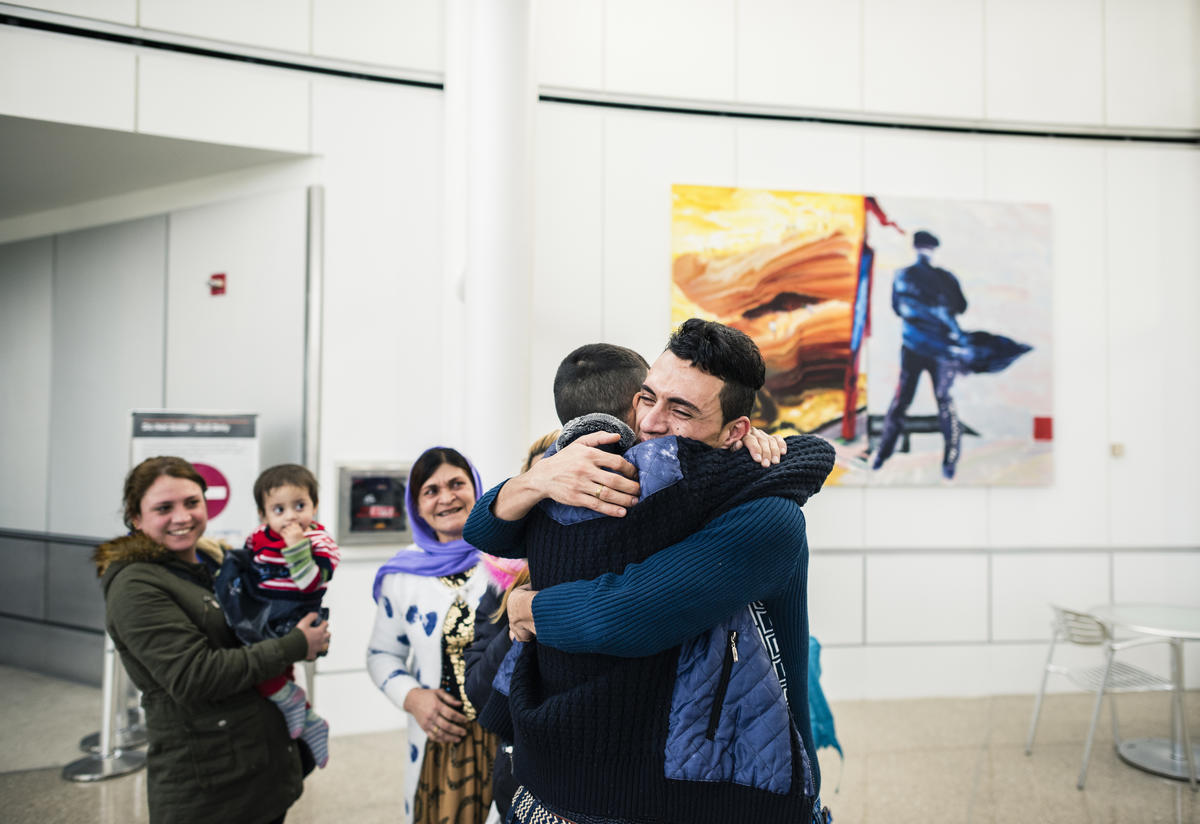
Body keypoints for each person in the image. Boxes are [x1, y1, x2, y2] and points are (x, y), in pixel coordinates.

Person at [464, 319, 835, 824]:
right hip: (609, 768)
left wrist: (530, 606)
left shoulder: (767, 516)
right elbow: (487, 530)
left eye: (681, 409)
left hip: (735, 782)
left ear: (736, 432)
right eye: (647, 397)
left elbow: (626, 612)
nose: (652, 422)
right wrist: (535, 480)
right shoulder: (637, 478)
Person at [94, 456, 330, 824]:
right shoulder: (136, 585)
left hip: (260, 768)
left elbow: (253, 628)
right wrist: (294, 645)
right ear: (136, 519)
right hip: (211, 788)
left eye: (192, 502)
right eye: (163, 508)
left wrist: (303, 632)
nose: (182, 516)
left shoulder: (219, 561)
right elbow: (194, 676)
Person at [367, 447, 499, 824]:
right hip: (441, 744)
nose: (446, 497)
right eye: (431, 490)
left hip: (509, 739)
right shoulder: (401, 575)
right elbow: (381, 654)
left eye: (457, 483)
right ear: (417, 505)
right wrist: (412, 698)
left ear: (476, 488)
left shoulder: (509, 558)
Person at [212, 463, 341, 768]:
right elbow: (249, 564)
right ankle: (307, 716)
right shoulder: (258, 537)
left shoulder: (319, 541)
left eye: (300, 505)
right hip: (260, 611)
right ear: (263, 514)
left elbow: (310, 580)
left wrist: (297, 546)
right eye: (279, 509)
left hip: (292, 616)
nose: (291, 516)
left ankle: (293, 702)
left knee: (264, 664)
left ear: (315, 506)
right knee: (271, 668)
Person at [463, 430, 557, 822]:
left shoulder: (612, 582)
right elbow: (479, 689)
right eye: (542, 497)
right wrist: (519, 616)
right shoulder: (501, 583)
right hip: (515, 781)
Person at [871, 229, 967, 479]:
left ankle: (882, 453)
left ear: (915, 247)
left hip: (913, 346)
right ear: (932, 249)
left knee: (901, 402)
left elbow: (897, 308)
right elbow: (962, 306)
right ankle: (951, 460)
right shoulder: (946, 278)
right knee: (945, 402)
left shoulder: (901, 276)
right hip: (941, 350)